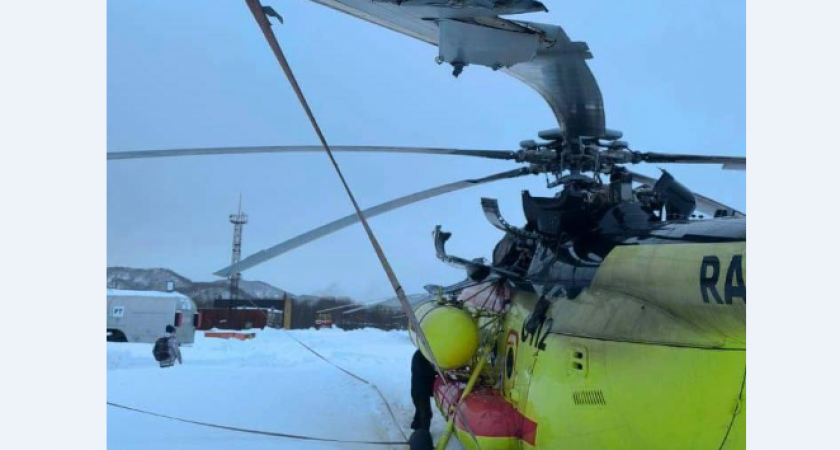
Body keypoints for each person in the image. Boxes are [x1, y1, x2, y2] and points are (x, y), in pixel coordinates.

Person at [410, 350, 436, 431]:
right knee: (426, 413)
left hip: (419, 390)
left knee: (420, 409)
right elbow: (427, 371)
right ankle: (424, 433)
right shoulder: (420, 356)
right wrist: (437, 371)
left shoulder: (420, 354)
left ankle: (416, 424)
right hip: (420, 391)